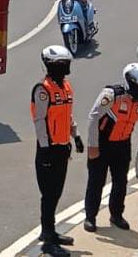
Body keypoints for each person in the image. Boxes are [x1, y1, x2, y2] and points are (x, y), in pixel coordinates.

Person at [83, 63, 138, 232]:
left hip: (122, 145)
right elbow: (93, 118)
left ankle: (116, 215)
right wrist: (92, 146)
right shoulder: (112, 95)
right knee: (96, 182)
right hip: (102, 144)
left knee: (120, 182)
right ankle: (90, 217)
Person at [32, 45, 84, 255]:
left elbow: (66, 115)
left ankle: (50, 232)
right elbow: (39, 121)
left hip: (63, 148)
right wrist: (44, 149)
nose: (67, 69)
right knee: (49, 194)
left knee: (57, 192)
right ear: (52, 66)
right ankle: (48, 240)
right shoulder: (42, 90)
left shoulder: (65, 87)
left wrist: (76, 135)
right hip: (49, 149)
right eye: (63, 65)